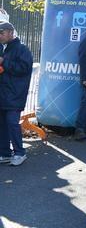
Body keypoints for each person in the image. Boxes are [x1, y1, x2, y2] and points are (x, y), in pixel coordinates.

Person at [0, 22, 33, 166]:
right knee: (2, 124)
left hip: (15, 94)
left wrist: (4, 62)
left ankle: (20, 153)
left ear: (10, 33)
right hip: (3, 93)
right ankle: (5, 153)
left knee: (12, 123)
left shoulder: (22, 49)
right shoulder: (2, 48)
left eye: (1, 33)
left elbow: (24, 69)